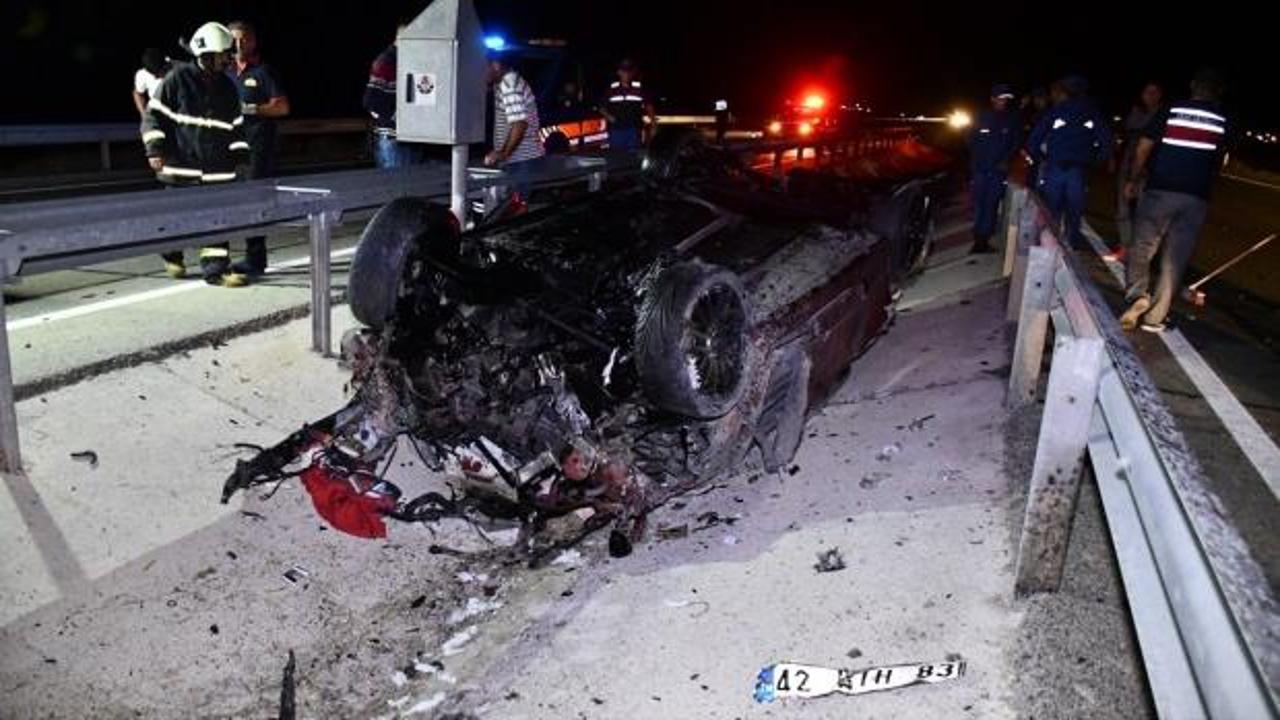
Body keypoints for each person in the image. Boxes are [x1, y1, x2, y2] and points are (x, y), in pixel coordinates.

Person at [141, 21, 251, 286]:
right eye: (224, 54)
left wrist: (241, 158)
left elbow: (236, 126)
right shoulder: (177, 80)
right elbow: (153, 117)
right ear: (208, 54)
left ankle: (216, 271)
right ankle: (172, 254)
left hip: (217, 170)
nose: (228, 59)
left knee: (217, 220)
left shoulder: (227, 87)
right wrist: (155, 149)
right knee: (177, 220)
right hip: (181, 168)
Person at [1119, 70, 1228, 333]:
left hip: (1161, 189)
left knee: (1143, 245)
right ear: (1217, 92)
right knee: (1175, 257)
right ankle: (1155, 317)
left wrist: (1134, 178)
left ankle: (1137, 296)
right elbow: (1221, 160)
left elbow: (1144, 146)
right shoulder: (1221, 119)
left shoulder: (1172, 110)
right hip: (1196, 197)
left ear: (1193, 86)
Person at [227, 21, 290, 277]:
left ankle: (255, 258)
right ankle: (219, 258)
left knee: (254, 201)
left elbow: (282, 107)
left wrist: (251, 109)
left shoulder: (264, 71)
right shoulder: (225, 71)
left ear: (252, 42)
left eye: (243, 39)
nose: (238, 45)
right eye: (233, 40)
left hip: (258, 148)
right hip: (229, 148)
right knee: (226, 200)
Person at [1025, 75, 1111, 248]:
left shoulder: (1056, 111)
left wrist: (1038, 157)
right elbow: (1105, 140)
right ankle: (1071, 243)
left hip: (1055, 168)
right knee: (1074, 210)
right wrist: (1096, 161)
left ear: (1065, 91)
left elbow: (1034, 139)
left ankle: (1049, 246)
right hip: (1077, 171)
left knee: (1052, 210)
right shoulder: (1091, 111)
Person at [363, 19, 424, 168]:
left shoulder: (411, 60)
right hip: (393, 139)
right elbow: (370, 101)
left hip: (411, 137)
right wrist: (397, 118)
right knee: (395, 182)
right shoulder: (386, 61)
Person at [967, 84, 1021, 253]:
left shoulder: (1011, 119)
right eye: (1000, 98)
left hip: (998, 171)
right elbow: (970, 140)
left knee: (991, 205)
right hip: (980, 170)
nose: (1003, 101)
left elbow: (1015, 143)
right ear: (992, 99)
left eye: (1006, 99)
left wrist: (1006, 160)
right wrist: (976, 162)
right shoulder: (980, 117)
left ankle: (983, 240)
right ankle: (977, 238)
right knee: (978, 204)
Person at [485, 50, 545, 202]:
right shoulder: (504, 83)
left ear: (496, 65)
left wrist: (503, 153)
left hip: (521, 160)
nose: (480, 72)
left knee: (515, 207)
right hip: (519, 159)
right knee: (512, 206)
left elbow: (520, 124)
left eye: (483, 67)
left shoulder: (509, 85)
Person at [1113, 82, 1164, 255]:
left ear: (1160, 95)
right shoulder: (1136, 112)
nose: (1150, 96)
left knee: (1146, 211)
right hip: (1129, 165)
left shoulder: (1163, 114)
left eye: (1154, 92)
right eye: (1147, 92)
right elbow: (1128, 128)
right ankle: (1125, 246)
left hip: (1151, 168)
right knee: (1123, 206)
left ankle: (1141, 250)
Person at [600, 59, 655, 150]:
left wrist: (653, 124)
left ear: (632, 73)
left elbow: (649, 106)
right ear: (619, 72)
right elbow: (601, 107)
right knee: (617, 155)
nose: (626, 74)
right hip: (617, 130)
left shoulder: (639, 88)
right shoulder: (612, 89)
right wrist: (609, 117)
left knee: (634, 155)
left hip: (634, 129)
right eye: (624, 71)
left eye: (629, 71)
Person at [132, 48, 171, 119]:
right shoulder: (142, 74)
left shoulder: (179, 71)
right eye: (152, 73)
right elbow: (138, 93)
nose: (155, 76)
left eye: (158, 72)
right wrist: (143, 113)